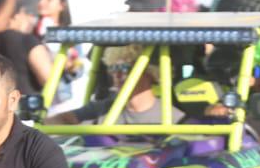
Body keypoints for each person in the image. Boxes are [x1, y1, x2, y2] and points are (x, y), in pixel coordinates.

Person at [46, 44, 184, 128]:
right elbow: (59, 120)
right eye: (113, 68)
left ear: (150, 71)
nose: (116, 75)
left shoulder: (173, 118)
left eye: (124, 67)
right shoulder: (101, 109)